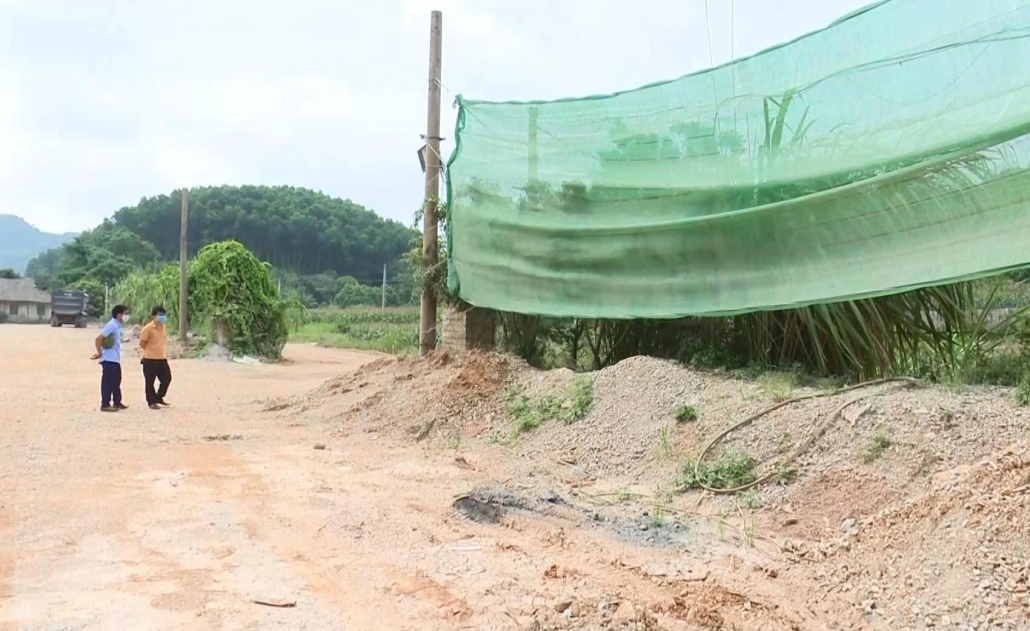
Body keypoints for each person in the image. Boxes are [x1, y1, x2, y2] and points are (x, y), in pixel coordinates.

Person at [91, 304, 129, 412]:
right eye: (125, 314)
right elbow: (98, 338)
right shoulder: (112, 325)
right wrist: (99, 352)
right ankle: (105, 404)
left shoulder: (116, 325)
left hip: (114, 358)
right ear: (119, 314)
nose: (127, 316)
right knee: (108, 381)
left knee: (116, 380)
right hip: (109, 358)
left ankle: (117, 402)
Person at [140, 305, 172, 410]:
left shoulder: (164, 327)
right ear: (153, 316)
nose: (162, 317)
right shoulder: (147, 329)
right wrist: (149, 351)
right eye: (160, 315)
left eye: (163, 315)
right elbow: (142, 343)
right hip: (150, 359)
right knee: (150, 382)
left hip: (162, 359)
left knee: (167, 379)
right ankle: (151, 402)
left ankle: (159, 397)